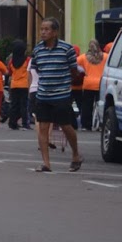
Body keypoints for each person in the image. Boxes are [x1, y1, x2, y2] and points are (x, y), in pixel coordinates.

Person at [31, 18, 83, 172]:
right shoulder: (38, 50)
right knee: (43, 128)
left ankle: (75, 155)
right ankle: (46, 163)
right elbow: (37, 69)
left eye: (47, 29)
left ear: (55, 32)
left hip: (61, 95)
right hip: (43, 94)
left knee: (66, 126)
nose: (43, 32)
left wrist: (64, 82)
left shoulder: (66, 49)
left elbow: (74, 71)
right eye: (41, 29)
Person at [78, 39, 105, 131]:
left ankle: (86, 125)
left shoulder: (83, 57)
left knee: (87, 106)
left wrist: (83, 71)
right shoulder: (105, 56)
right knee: (101, 105)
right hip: (100, 84)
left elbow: (74, 64)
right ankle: (101, 124)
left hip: (88, 84)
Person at [5, 40, 32, 129]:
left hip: (14, 84)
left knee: (14, 105)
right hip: (24, 85)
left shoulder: (11, 61)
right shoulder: (27, 60)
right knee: (24, 105)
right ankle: (25, 123)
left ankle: (12, 123)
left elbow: (9, 72)